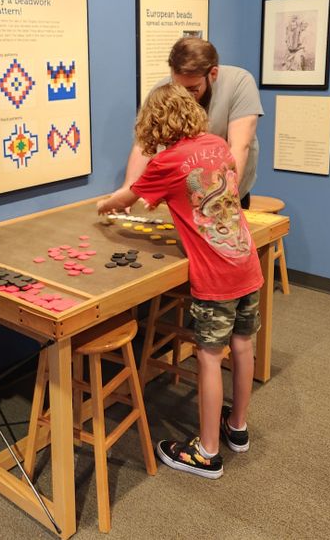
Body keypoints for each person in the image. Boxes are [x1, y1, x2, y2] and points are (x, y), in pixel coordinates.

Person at [96, 84, 264, 479]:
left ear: (153, 123)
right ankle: (236, 428)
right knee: (242, 346)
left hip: (215, 275)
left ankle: (206, 452)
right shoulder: (218, 144)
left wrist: (103, 205)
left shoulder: (166, 162)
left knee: (208, 357)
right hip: (245, 261)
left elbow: (127, 200)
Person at [114, 37, 263, 209]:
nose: (185, 97)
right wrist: (128, 189)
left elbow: (239, 147)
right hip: (181, 197)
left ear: (213, 74)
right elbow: (144, 145)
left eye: (193, 89)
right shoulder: (162, 90)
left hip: (225, 195)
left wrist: (224, 196)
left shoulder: (239, 82)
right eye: (179, 88)